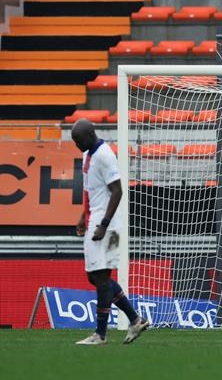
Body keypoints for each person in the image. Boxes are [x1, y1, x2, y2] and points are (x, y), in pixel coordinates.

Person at [71, 119, 149, 345]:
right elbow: (93, 192)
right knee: (95, 276)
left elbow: (117, 191)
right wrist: (83, 217)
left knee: (100, 277)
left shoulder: (104, 155)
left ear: (91, 135)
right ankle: (135, 320)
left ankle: (100, 334)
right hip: (96, 219)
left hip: (108, 225)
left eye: (79, 140)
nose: (77, 145)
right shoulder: (88, 155)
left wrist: (103, 223)